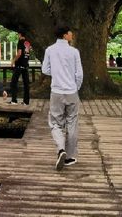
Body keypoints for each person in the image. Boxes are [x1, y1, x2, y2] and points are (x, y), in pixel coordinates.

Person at [42, 26, 83, 170]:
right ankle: (70, 156)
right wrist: (75, 87)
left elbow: (44, 69)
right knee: (72, 122)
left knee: (55, 122)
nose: (72, 34)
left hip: (56, 91)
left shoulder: (49, 50)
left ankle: (61, 149)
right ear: (65, 35)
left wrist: (57, 73)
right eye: (71, 32)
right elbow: (79, 74)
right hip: (71, 91)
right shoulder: (74, 52)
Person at [7, 30, 31, 105]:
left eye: (18, 34)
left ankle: (14, 100)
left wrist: (13, 61)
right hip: (25, 65)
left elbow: (19, 53)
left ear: (20, 34)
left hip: (19, 65)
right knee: (26, 84)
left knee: (13, 83)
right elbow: (27, 53)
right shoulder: (27, 42)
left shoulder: (20, 42)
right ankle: (26, 101)